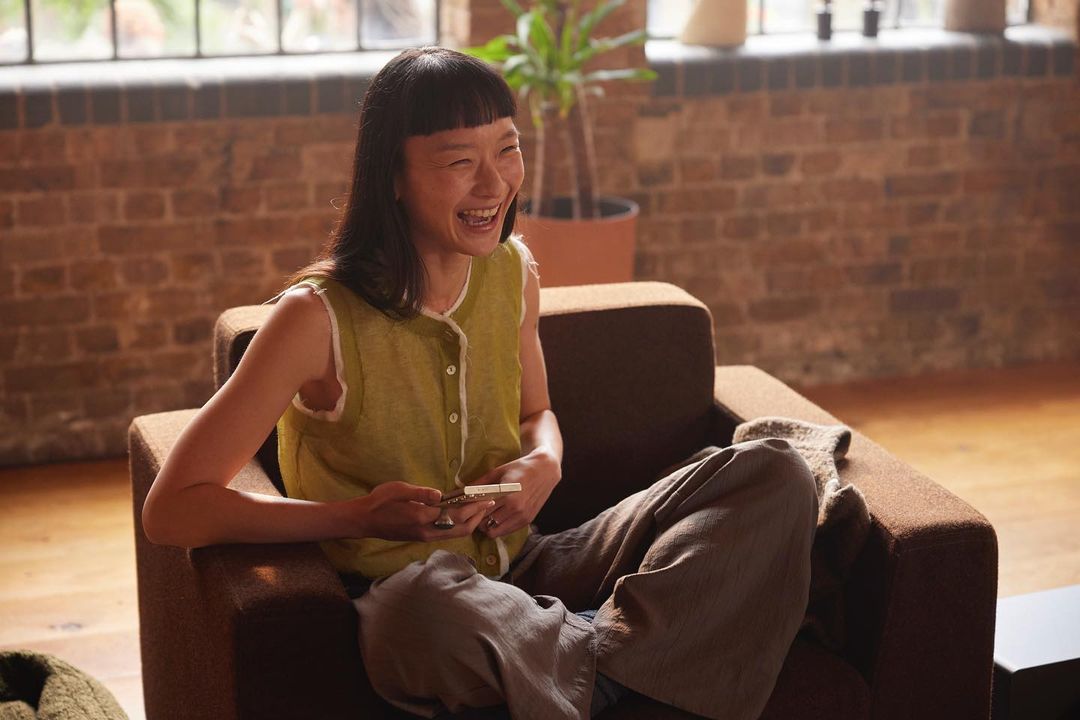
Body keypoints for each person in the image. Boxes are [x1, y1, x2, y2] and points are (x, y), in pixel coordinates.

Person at [142, 47, 819, 720]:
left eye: (507, 150)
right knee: (428, 616)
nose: (494, 184)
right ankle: (632, 656)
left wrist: (543, 465)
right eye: (460, 161)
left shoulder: (511, 270)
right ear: (395, 176)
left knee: (776, 473)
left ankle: (576, 660)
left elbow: (537, 413)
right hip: (408, 595)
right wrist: (357, 516)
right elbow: (174, 508)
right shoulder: (313, 319)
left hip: (532, 564)